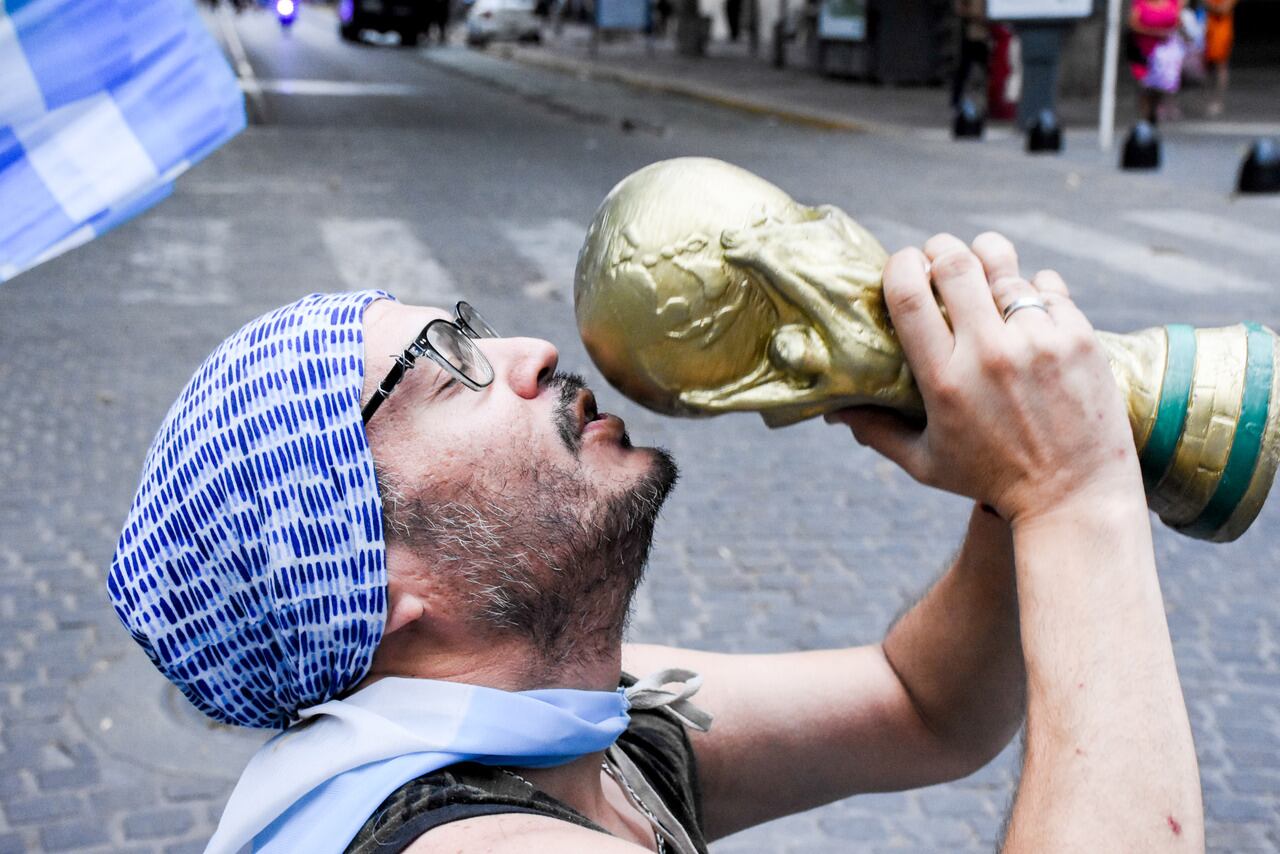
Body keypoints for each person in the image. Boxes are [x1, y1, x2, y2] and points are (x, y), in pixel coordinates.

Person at [108, 233, 1204, 853]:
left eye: (472, 325)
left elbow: (917, 703)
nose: (531, 348)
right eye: (453, 371)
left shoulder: (574, 713)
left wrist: (1003, 473)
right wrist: (1073, 496)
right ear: (369, 576)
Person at [1128, 0, 1184, 123]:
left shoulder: (1173, 3)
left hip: (1166, 52)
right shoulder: (1140, 3)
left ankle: (1161, 110)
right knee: (1144, 87)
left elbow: (1179, 21)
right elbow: (1133, 24)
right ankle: (1144, 117)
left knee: (1164, 83)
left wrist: (1167, 32)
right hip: (1144, 50)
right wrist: (1155, 32)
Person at [950, 0, 990, 110]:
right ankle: (956, 100)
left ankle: (991, 100)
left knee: (990, 70)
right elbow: (959, 8)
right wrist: (972, 15)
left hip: (988, 35)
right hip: (972, 34)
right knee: (963, 69)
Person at [1202, 0, 1236, 116]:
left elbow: (1223, 9)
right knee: (1206, 67)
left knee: (1221, 66)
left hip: (1221, 30)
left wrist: (1206, 4)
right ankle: (1207, 98)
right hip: (1206, 28)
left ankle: (1218, 101)